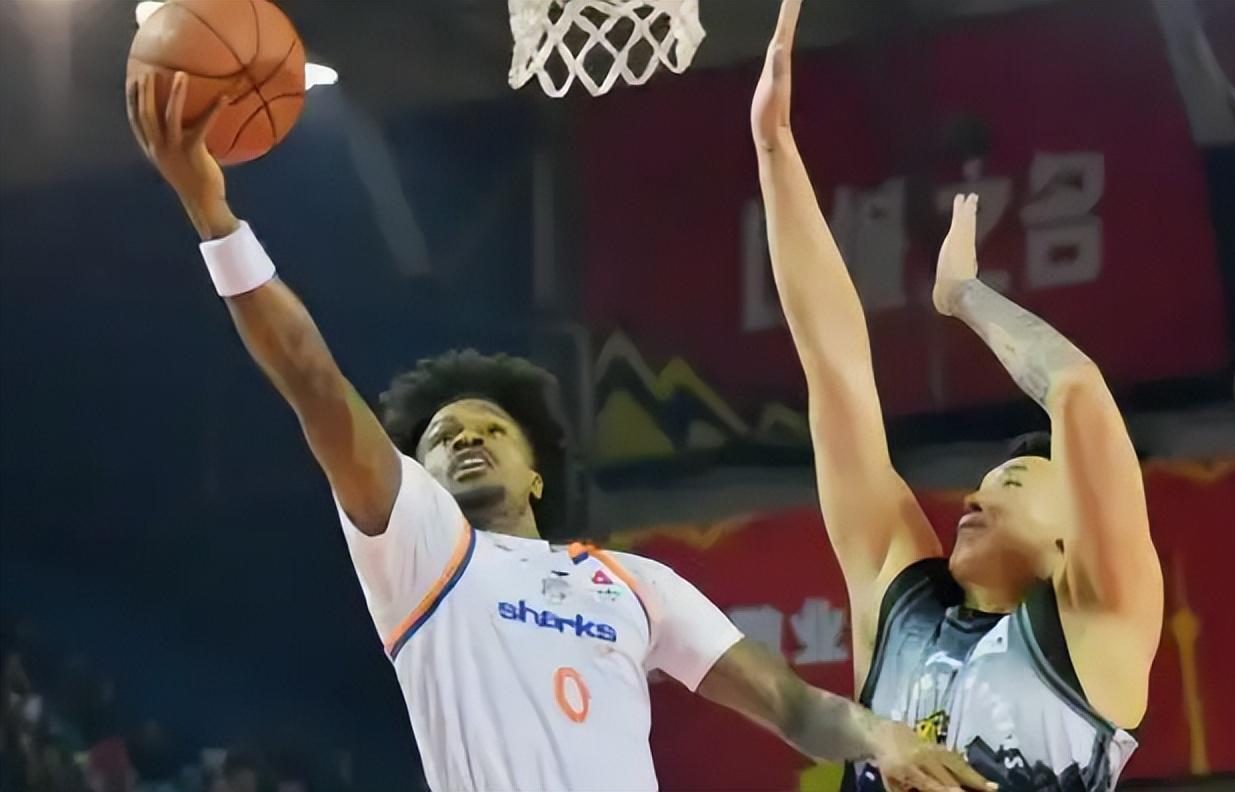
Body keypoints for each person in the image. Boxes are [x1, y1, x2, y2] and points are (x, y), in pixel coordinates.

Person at [124, 71, 995, 792]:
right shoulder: (420, 551)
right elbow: (313, 380)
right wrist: (214, 219)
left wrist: (882, 736)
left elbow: (792, 707)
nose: (465, 439)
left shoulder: (635, 584)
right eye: (442, 436)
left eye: (490, 429)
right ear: (418, 476)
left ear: (537, 471)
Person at [750, 2, 1164, 790]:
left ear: (1069, 542)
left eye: (1015, 483)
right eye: (987, 481)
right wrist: (775, 149)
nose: (975, 494)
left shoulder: (1098, 626)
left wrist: (965, 296)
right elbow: (834, 369)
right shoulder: (900, 605)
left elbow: (1076, 392)